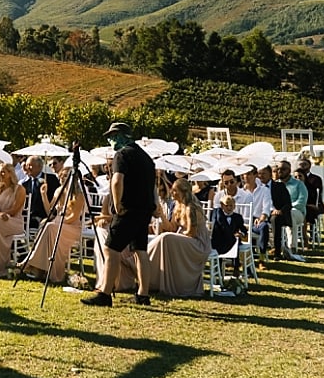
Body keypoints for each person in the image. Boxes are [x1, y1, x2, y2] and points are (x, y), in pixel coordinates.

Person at [82, 121, 156, 307]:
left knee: (110, 249)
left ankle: (105, 293)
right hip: (145, 208)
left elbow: (116, 181)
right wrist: (154, 205)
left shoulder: (122, 154)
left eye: (113, 136)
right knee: (140, 251)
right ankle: (143, 294)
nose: (111, 140)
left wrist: (117, 205)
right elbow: (152, 185)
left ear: (124, 136)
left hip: (128, 208)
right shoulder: (146, 157)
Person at [142, 178, 212, 298]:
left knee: (166, 239)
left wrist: (176, 236)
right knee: (166, 238)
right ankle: (145, 267)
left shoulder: (191, 208)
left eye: (175, 191)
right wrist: (162, 216)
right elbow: (171, 228)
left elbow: (192, 232)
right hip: (186, 239)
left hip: (198, 244)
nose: (172, 193)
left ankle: (142, 263)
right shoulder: (177, 207)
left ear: (183, 192)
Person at [19, 167, 87, 283]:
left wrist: (59, 222)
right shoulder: (58, 190)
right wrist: (43, 195)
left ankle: (33, 263)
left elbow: (73, 217)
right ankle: (40, 268)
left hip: (71, 226)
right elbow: (49, 211)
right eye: (61, 175)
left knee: (49, 227)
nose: (61, 178)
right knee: (48, 226)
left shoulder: (78, 195)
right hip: (57, 224)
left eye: (65, 176)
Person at [20, 156, 59, 231]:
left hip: (45, 216)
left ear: (40, 167)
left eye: (30, 165)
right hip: (28, 217)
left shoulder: (50, 179)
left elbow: (56, 200)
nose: (27, 167)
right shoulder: (24, 183)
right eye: (26, 165)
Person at [268, 161, 297, 261]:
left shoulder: (279, 186)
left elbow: (288, 204)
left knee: (275, 219)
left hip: (277, 214)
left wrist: (279, 210)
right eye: (259, 174)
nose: (261, 176)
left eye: (263, 173)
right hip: (260, 214)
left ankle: (277, 251)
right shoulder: (257, 187)